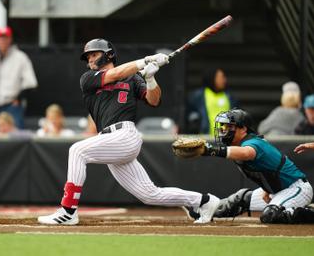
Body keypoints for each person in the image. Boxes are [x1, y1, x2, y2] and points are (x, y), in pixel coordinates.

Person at [37, 38, 220, 225]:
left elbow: (154, 100)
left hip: (125, 135)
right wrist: (145, 61)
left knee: (77, 150)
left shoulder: (133, 78)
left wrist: (150, 79)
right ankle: (203, 201)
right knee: (150, 194)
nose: (90, 59)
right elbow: (115, 74)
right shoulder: (88, 79)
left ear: (108, 54)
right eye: (88, 56)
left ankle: (68, 211)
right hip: (109, 140)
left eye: (94, 54)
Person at [184, 108, 313, 224]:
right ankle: (204, 210)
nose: (224, 130)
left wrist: (210, 150)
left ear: (243, 129)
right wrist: (266, 189)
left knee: (271, 216)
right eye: (223, 126)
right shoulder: (243, 143)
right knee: (240, 199)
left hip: (296, 188)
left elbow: (247, 153)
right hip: (278, 190)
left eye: (229, 126)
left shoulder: (254, 143)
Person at [0, 26, 38, 129]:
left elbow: (31, 83)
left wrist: (18, 99)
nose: (3, 40)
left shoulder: (20, 57)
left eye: (5, 38)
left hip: (12, 106)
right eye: (0, 38)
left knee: (15, 139)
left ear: (10, 39)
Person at [186, 68, 238, 135]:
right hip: (205, 138)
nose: (224, 80)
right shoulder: (199, 95)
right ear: (212, 78)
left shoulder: (229, 96)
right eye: (221, 77)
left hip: (226, 139)